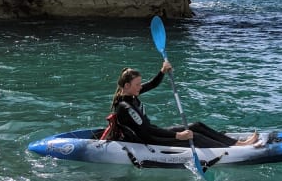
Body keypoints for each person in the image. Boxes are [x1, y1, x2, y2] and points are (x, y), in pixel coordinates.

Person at [107, 62, 260, 148]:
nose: (141, 87)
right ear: (126, 86)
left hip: (153, 133)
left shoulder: (132, 93)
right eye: (137, 84)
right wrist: (177, 135)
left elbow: (152, 84)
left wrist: (162, 71)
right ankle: (233, 149)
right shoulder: (125, 107)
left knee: (196, 126)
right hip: (148, 140)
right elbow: (147, 130)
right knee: (193, 137)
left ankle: (238, 143)